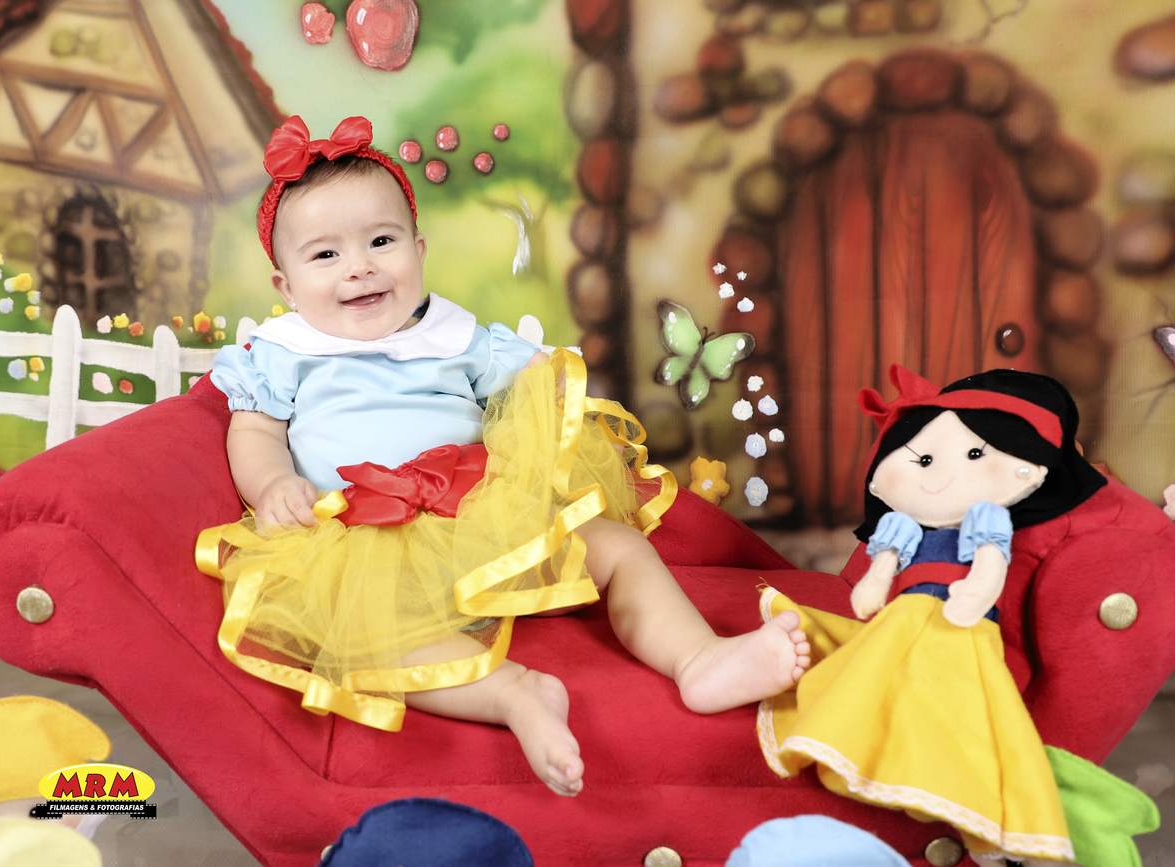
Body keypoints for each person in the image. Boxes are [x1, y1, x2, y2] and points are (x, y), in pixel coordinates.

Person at [198, 115, 811, 797]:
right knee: (354, 631)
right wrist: (273, 483)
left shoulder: (456, 337)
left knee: (617, 548)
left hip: (483, 511)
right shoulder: (284, 352)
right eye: (325, 255)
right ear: (285, 286)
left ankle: (698, 658)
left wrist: (549, 410)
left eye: (381, 241)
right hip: (364, 534)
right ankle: (515, 693)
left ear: (418, 250)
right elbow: (253, 432)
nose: (359, 266)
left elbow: (534, 383)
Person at [756, 364, 1107, 863]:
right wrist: (874, 584)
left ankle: (989, 828)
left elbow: (990, 561)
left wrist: (977, 592)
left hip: (963, 625)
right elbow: (883, 566)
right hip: (903, 618)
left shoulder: (986, 516)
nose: (941, 474)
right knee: (872, 682)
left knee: (978, 722)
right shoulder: (905, 525)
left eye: (975, 454)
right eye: (922, 459)